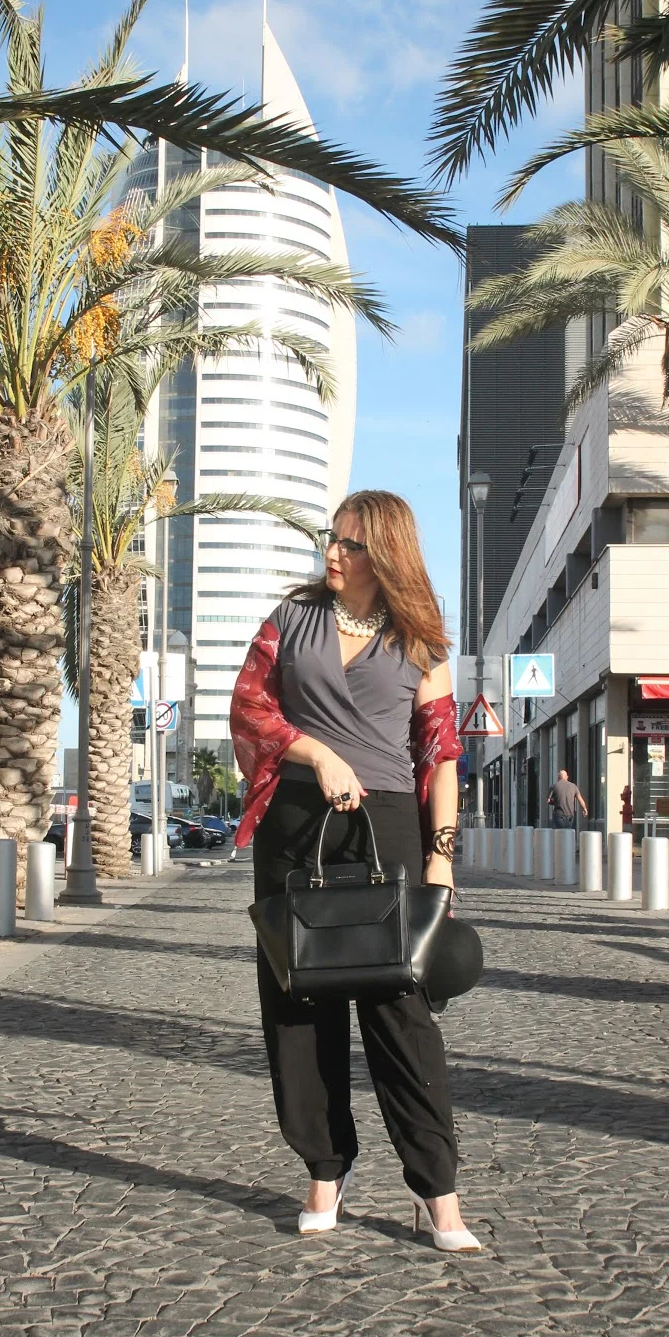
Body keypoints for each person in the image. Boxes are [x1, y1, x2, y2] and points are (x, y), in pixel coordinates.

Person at [229, 490, 480, 1254]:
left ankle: (436, 1189)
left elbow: (440, 755)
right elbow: (249, 709)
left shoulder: (420, 641)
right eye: (330, 539)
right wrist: (317, 753)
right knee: (298, 999)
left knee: (399, 1008)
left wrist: (441, 856)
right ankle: (323, 1170)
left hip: (390, 825)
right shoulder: (290, 620)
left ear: (387, 555)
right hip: (295, 822)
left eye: (350, 544)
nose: (332, 554)